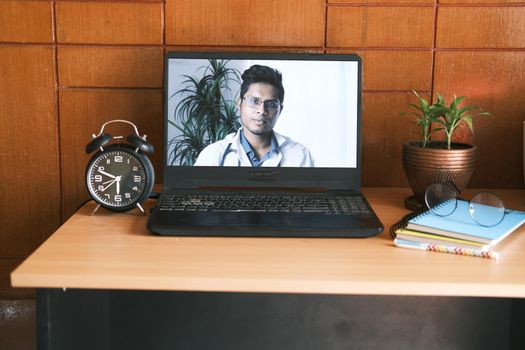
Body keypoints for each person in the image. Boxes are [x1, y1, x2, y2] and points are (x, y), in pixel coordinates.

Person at [194, 64, 314, 167]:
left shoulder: (300, 155)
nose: (262, 111)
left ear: (280, 110)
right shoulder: (212, 155)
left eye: (271, 104)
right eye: (254, 101)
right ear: (239, 104)